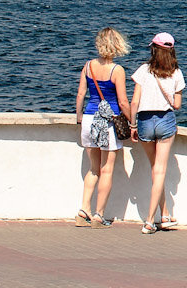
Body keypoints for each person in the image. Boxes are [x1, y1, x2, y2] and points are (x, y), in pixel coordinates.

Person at [129, 32, 186, 234]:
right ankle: (150, 220)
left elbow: (134, 102)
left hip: (144, 121)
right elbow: (177, 105)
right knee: (159, 171)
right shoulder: (176, 72)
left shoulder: (144, 70)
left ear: (153, 49)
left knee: (155, 169)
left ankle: (164, 213)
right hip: (165, 120)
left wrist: (132, 126)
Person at [75, 27, 131, 228]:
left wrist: (80, 117)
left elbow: (81, 94)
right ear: (117, 45)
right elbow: (123, 102)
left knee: (93, 168)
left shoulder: (88, 66)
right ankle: (99, 215)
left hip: (89, 119)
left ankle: (83, 211)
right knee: (107, 169)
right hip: (108, 122)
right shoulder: (117, 70)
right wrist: (131, 122)